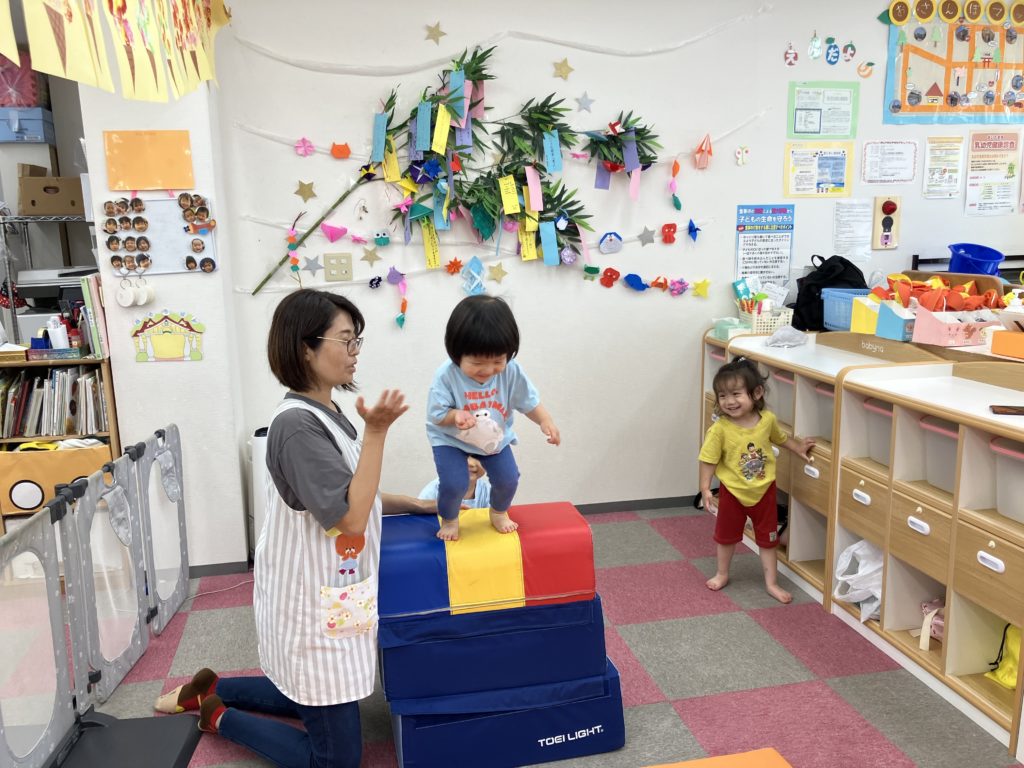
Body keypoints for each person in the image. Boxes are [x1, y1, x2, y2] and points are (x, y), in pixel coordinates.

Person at [154, 289, 434, 768]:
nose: (355, 351)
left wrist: (412, 503)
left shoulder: (328, 413)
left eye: (357, 340)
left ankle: (213, 686)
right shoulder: (298, 427)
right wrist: (377, 433)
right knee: (335, 756)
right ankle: (218, 713)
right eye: (345, 339)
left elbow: (354, 493)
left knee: (315, 688)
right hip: (310, 599)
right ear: (306, 348)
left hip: (335, 589)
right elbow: (349, 516)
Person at [427, 294, 560, 541]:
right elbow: (437, 415)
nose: (488, 370)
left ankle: (498, 512)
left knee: (509, 479)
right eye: (477, 363)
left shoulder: (511, 371)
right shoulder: (446, 375)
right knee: (455, 483)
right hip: (451, 439)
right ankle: (450, 518)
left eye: (498, 361)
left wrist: (545, 420)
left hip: (492, 439)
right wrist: (455, 415)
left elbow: (528, 401)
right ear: (456, 354)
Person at [698, 358, 814, 604]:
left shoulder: (767, 420)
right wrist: (705, 488)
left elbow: (780, 439)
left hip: (764, 491)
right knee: (726, 537)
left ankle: (771, 583)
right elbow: (708, 459)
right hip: (733, 492)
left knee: (768, 540)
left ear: (757, 392)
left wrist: (798, 448)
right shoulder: (720, 429)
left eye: (736, 394)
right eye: (722, 395)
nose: (729, 401)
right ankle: (722, 573)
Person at [419, 456, 492, 510]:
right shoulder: (433, 490)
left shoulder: (488, 491)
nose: (470, 463)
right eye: (462, 455)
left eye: (478, 456)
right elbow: (419, 519)